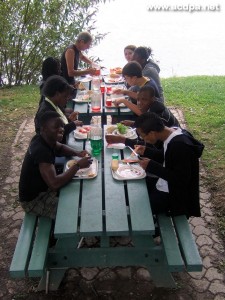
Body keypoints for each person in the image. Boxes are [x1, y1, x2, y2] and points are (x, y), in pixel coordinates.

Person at [19, 111, 92, 219]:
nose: (61, 129)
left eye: (62, 125)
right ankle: (68, 232)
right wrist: (77, 166)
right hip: (35, 200)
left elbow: (60, 148)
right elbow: (54, 184)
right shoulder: (41, 151)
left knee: (80, 194)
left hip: (45, 188)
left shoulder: (43, 139)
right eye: (56, 127)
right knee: (73, 211)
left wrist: (77, 153)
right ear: (44, 129)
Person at [133, 112, 204, 217]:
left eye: (143, 136)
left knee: (139, 209)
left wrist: (151, 166)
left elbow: (181, 179)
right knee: (135, 188)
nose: (143, 140)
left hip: (172, 195)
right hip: (164, 184)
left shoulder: (179, 146)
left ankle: (151, 229)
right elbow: (168, 157)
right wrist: (147, 151)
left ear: (152, 133)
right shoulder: (173, 132)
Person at [105, 86, 179, 148]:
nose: (139, 103)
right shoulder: (155, 105)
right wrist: (133, 123)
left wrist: (123, 140)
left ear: (153, 99)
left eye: (144, 100)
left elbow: (151, 146)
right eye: (138, 100)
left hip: (170, 146)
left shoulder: (159, 117)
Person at [35, 75, 82, 144]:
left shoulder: (53, 104)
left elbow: (60, 125)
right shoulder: (47, 113)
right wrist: (73, 124)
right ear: (57, 94)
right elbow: (57, 135)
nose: (67, 99)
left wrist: (69, 120)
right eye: (65, 96)